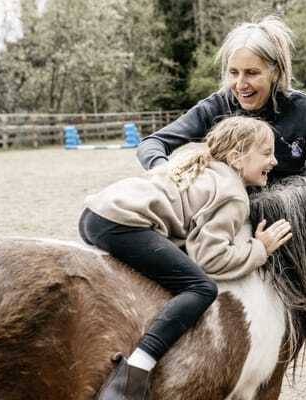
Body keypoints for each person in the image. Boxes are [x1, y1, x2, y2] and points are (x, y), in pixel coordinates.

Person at [136, 15, 306, 400]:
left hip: (293, 231)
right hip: (230, 226)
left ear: (275, 72)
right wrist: (170, 173)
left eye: (252, 73)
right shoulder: (217, 107)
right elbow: (152, 144)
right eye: (233, 72)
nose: (240, 84)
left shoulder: (305, 110)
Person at [79, 116, 293, 400]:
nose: (274, 161)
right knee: (201, 288)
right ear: (237, 158)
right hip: (123, 223)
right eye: (266, 153)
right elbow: (209, 258)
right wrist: (260, 249)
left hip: (96, 215)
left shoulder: (207, 168)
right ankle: (135, 371)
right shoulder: (233, 195)